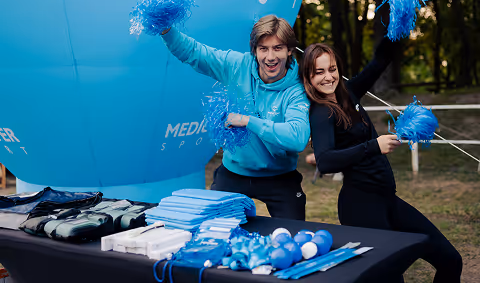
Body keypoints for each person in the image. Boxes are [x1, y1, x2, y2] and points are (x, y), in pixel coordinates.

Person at [300, 37, 462, 282]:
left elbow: (379, 62)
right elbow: (325, 161)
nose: (328, 77)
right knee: (391, 278)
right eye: (319, 72)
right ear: (308, 77)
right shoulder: (321, 112)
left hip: (387, 199)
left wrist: (395, 29)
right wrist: (374, 145)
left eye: (332, 69)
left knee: (450, 260)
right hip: (360, 207)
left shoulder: (349, 92)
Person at [161, 15, 310, 220]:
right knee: (213, 232)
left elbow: (298, 137)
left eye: (278, 48)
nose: (270, 57)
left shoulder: (296, 88)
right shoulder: (238, 66)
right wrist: (166, 31)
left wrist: (248, 120)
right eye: (263, 48)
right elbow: (196, 52)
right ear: (254, 50)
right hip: (234, 174)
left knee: (295, 238)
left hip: (280, 177)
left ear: (290, 50)